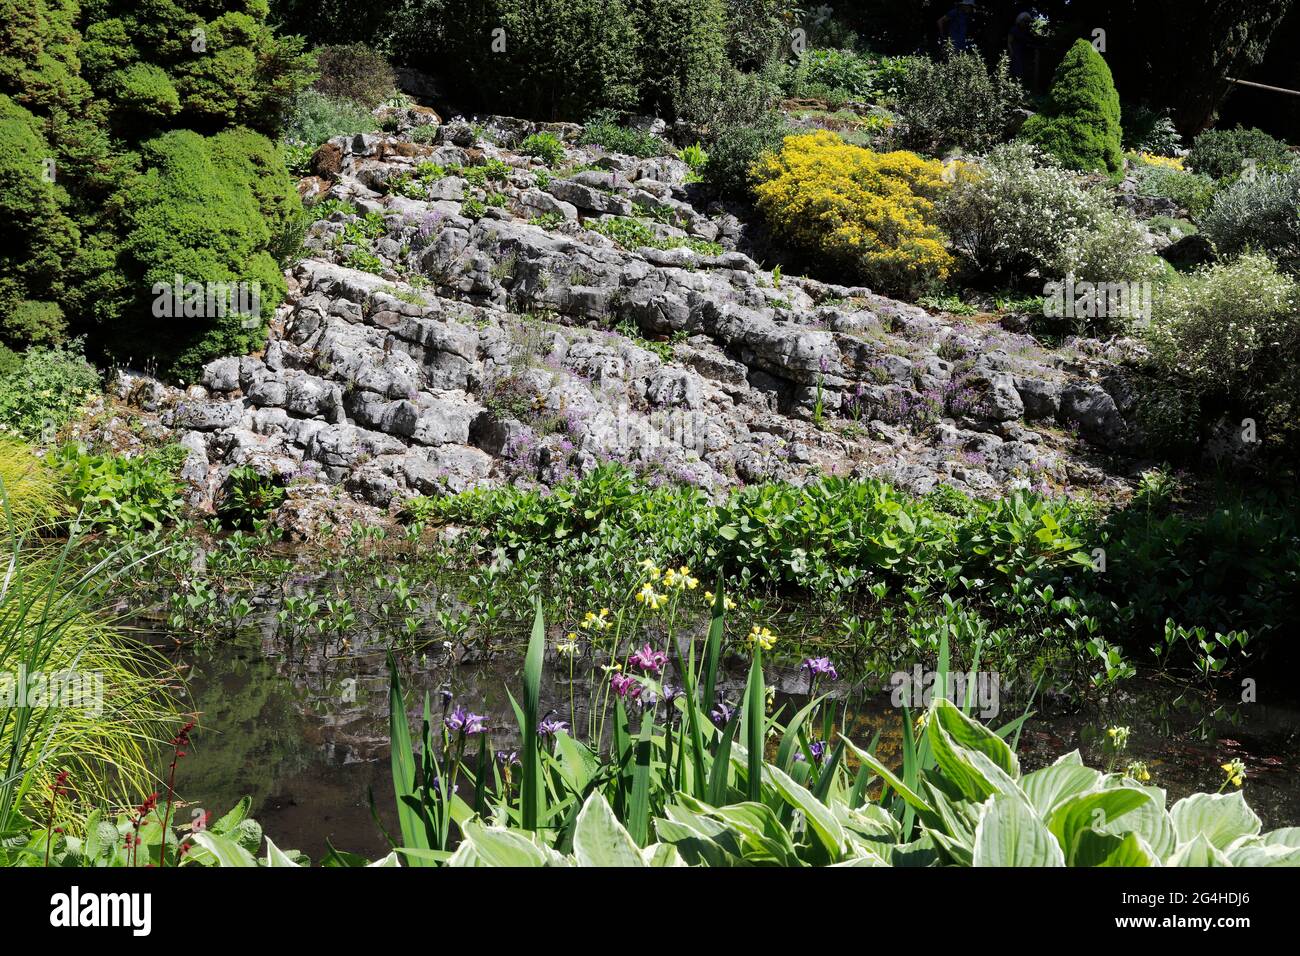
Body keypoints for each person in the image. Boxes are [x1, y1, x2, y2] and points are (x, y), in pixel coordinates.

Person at [1008, 11, 1034, 80]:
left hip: (1023, 54)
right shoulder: (1014, 29)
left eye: (1028, 22)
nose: (1027, 23)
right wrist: (1011, 52)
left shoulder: (1026, 31)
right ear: (1020, 20)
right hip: (1015, 54)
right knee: (1016, 72)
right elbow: (1009, 42)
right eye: (1025, 21)